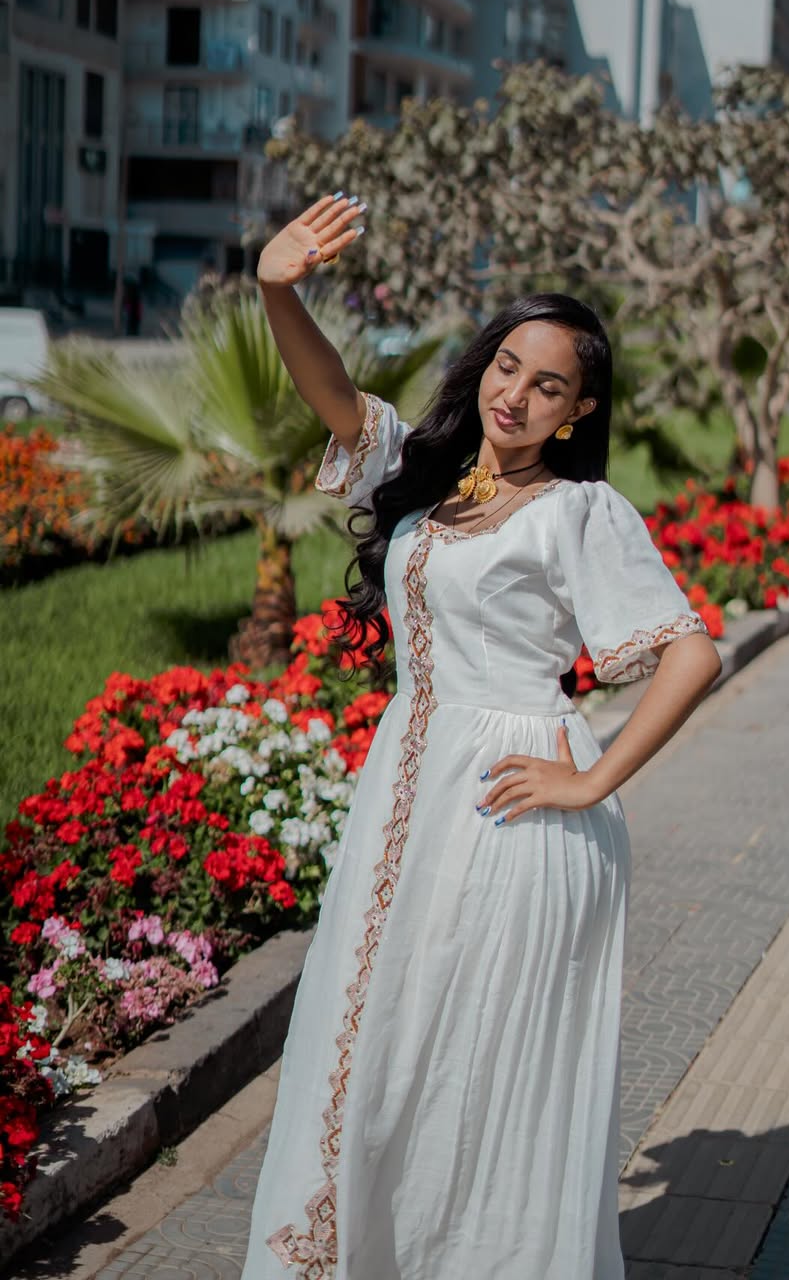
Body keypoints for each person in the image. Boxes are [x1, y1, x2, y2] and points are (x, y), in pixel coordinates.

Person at [240, 194, 723, 1279]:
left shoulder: (578, 510)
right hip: (408, 798)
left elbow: (692, 654)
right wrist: (278, 289)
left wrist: (590, 780)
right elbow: (330, 394)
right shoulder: (427, 474)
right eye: (508, 366)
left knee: (482, 1071)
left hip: (512, 816)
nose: (516, 394)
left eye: (547, 385)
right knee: (383, 1048)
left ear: (578, 408)